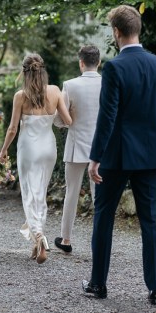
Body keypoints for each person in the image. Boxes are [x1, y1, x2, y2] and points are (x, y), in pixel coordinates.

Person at [83, 5, 156, 305]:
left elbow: (108, 116)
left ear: (116, 33)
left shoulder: (113, 68)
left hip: (118, 154)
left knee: (103, 216)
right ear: (138, 29)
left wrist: (95, 156)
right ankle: (155, 288)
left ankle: (98, 283)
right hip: (151, 153)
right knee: (151, 220)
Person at [0, 54, 72, 264]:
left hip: (28, 149)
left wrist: (3, 151)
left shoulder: (20, 96)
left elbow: (12, 129)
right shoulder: (55, 91)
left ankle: (39, 235)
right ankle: (36, 241)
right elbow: (67, 121)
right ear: (43, 71)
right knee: (40, 193)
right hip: (48, 147)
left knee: (30, 194)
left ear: (24, 72)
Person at [53, 45, 102, 253]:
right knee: (99, 196)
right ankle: (100, 241)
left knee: (71, 193)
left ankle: (66, 240)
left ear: (81, 62)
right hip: (100, 147)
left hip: (75, 146)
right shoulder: (108, 83)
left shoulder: (70, 85)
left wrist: (66, 121)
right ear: (98, 62)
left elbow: (59, 120)